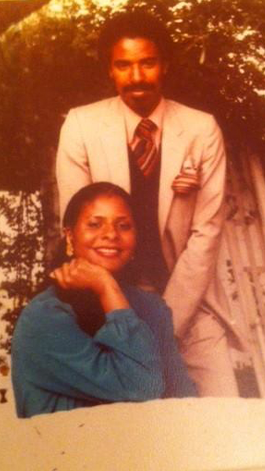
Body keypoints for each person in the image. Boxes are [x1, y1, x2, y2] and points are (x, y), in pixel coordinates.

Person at [56, 10, 247, 396]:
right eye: (124, 65)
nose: (137, 76)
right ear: (110, 70)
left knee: (220, 418)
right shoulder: (81, 125)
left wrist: (166, 323)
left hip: (189, 303)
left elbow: (205, 232)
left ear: (165, 66)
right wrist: (119, 315)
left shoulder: (200, 128)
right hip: (109, 299)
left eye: (148, 62)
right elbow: (82, 229)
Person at [11, 182, 196, 418]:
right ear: (69, 236)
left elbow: (182, 399)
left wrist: (107, 288)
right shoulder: (43, 317)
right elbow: (142, 387)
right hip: (70, 451)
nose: (111, 234)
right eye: (94, 224)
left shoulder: (152, 308)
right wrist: (106, 285)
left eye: (124, 226)